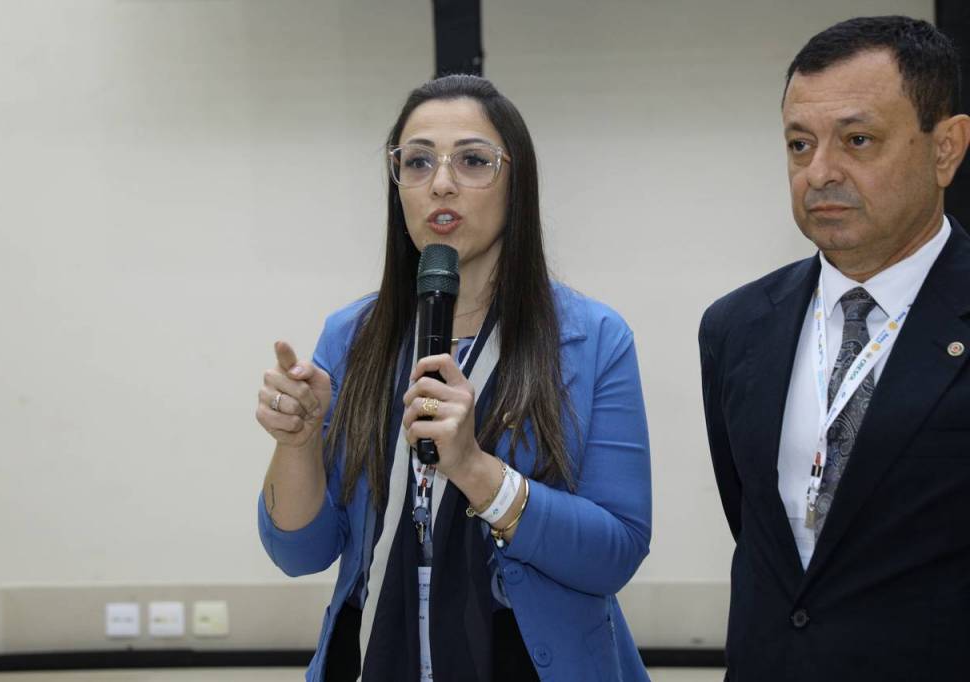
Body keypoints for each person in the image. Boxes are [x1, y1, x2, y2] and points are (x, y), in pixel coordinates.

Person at [255, 75, 652, 682]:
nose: (441, 183)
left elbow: (614, 553)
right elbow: (298, 552)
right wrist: (298, 444)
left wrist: (475, 470)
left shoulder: (593, 338)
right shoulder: (351, 337)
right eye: (417, 162)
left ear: (517, 183)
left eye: (472, 160)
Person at [699, 15, 970, 682]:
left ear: (946, 148)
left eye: (857, 140)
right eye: (799, 144)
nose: (819, 172)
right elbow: (756, 526)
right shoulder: (735, 326)